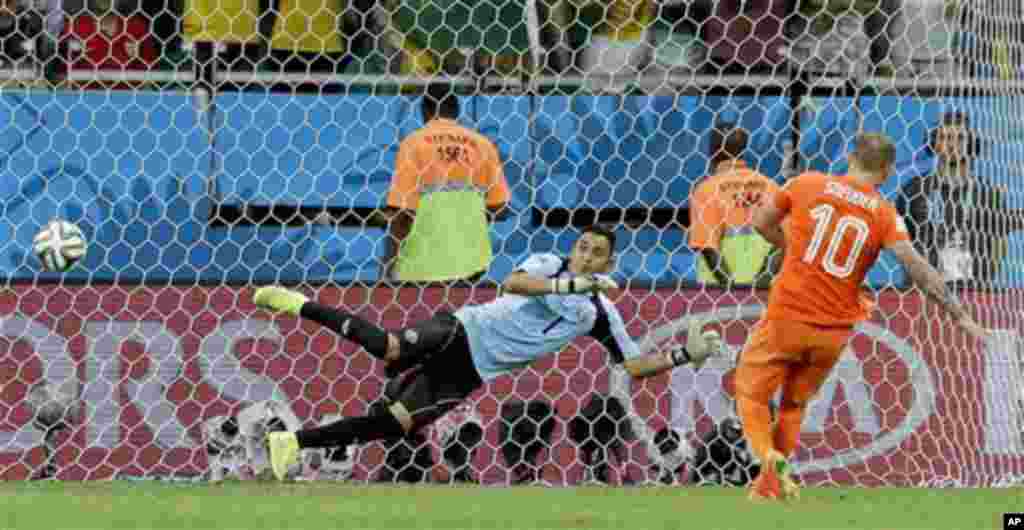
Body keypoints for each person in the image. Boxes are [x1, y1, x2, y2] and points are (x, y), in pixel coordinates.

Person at [256, 226, 724, 481]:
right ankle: (297, 303)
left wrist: (686, 352)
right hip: (463, 329)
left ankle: (292, 443)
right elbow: (512, 283)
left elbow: (634, 365)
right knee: (391, 345)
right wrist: (570, 282)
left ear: (610, 263)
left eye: (596, 252)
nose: (585, 255)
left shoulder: (601, 314)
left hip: (474, 371)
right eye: (582, 247)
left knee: (395, 423)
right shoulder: (549, 264)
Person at [736, 133, 989, 500]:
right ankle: (770, 487)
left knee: (750, 393)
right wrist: (960, 315)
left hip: (787, 316)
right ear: (886, 172)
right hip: (833, 333)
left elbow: (761, 222)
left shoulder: (806, 183)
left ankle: (769, 457)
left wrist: (795, 247)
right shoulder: (884, 213)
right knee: (794, 404)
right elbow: (916, 266)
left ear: (850, 157)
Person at [379, 83, 511, 283]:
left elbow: (402, 213)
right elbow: (501, 209)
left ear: (425, 111)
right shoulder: (483, 145)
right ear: (457, 112)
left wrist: (388, 266)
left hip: (422, 262)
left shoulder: (414, 143)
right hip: (471, 264)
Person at [896, 111, 1018, 286]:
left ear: (970, 143)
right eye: (945, 137)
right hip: (924, 290)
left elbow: (999, 241)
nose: (952, 144)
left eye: (960, 138)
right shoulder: (914, 189)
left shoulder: (986, 192)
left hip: (971, 290)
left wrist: (983, 281)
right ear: (934, 144)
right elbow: (900, 240)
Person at [689, 124, 781, 287]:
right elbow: (783, 241)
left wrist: (732, 290)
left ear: (711, 151)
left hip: (718, 293)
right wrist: (762, 282)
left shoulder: (707, 189)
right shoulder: (770, 186)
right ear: (743, 149)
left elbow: (708, 247)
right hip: (765, 290)